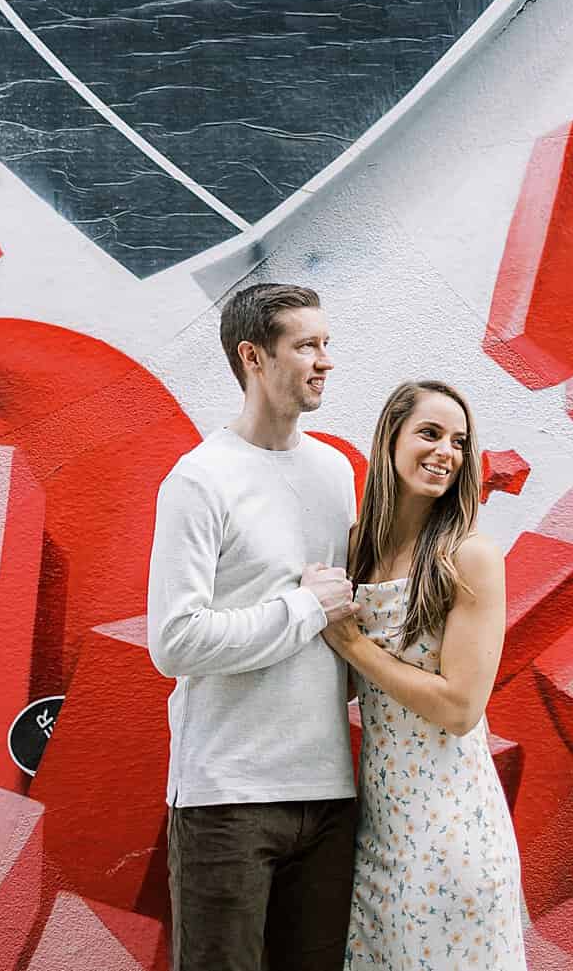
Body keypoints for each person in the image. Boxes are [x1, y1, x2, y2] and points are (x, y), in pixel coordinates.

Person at [147, 281, 361, 970]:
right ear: (254, 357)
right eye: (306, 345)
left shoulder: (334, 471)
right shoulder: (199, 479)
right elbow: (174, 640)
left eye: (327, 343)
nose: (325, 359)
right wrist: (303, 609)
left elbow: (345, 631)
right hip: (228, 800)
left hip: (329, 794)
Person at [322, 379, 525, 968]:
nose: (446, 452)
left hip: (453, 832)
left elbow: (460, 708)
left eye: (459, 442)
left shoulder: (468, 555)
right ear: (391, 439)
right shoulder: (359, 548)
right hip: (380, 832)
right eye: (430, 434)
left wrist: (355, 646)